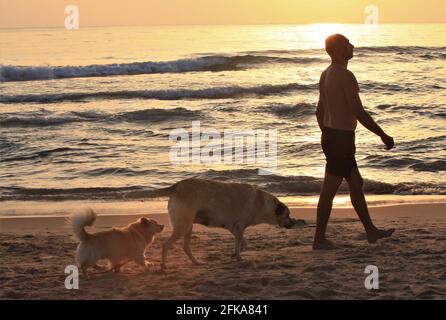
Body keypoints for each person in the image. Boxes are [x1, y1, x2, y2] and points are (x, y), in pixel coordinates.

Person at [314, 34, 395, 250]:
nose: (353, 46)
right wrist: (382, 134)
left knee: (356, 184)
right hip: (340, 139)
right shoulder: (345, 75)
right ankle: (319, 239)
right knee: (330, 189)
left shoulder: (326, 74)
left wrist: (327, 135)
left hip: (333, 137)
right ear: (340, 49)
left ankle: (370, 231)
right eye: (348, 43)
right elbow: (357, 111)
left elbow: (319, 111)